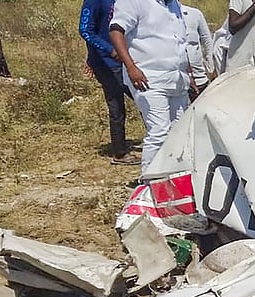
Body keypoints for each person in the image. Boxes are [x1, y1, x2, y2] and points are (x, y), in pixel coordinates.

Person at [110, 0, 191, 175]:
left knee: (180, 132)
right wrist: (131, 66)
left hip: (177, 78)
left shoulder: (174, 5)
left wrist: (189, 71)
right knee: (159, 131)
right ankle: (150, 180)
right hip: (148, 77)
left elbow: (179, 41)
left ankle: (174, 177)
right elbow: (116, 31)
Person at [80, 0, 140, 165]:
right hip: (107, 63)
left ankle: (159, 140)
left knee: (144, 98)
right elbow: (85, 30)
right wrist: (108, 50)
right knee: (117, 105)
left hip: (128, 59)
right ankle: (120, 153)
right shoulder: (94, 1)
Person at [182, 3, 214, 100]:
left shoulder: (194, 14)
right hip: (177, 81)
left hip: (199, 79)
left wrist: (211, 67)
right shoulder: (160, 16)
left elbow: (207, 39)